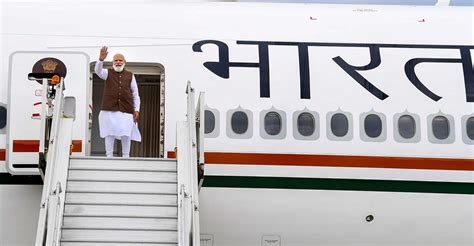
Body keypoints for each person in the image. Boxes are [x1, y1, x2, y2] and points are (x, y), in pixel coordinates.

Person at [95, 46, 141, 158]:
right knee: (109, 133)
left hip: (126, 110)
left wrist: (136, 109)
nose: (118, 62)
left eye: (120, 60)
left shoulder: (130, 75)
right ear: (112, 63)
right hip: (109, 109)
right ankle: (109, 156)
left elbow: (135, 94)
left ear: (124, 62)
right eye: (116, 60)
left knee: (126, 133)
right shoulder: (107, 73)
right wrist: (100, 60)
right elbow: (98, 71)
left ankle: (126, 156)